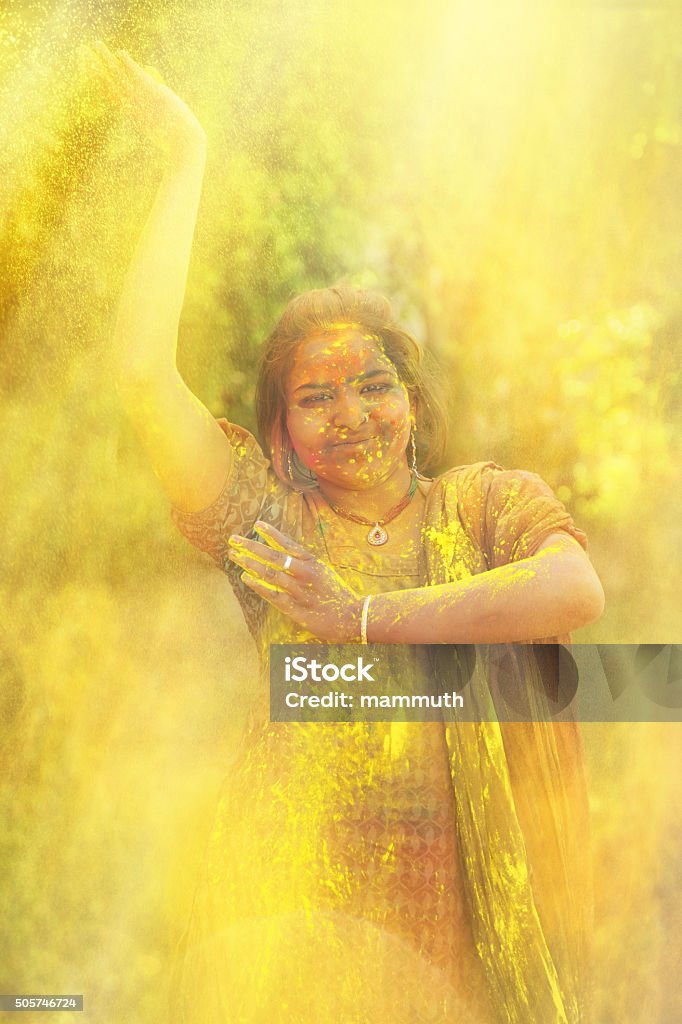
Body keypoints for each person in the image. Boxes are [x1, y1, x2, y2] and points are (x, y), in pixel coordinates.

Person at [89, 43, 604, 1023]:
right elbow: (140, 379)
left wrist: (360, 615)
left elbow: (573, 591)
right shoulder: (269, 526)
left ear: (412, 401)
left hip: (450, 927)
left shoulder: (485, 505)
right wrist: (190, 155)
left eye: (373, 385)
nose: (352, 413)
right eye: (315, 398)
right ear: (279, 435)